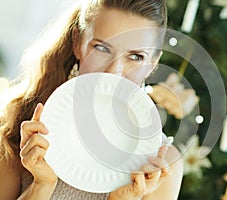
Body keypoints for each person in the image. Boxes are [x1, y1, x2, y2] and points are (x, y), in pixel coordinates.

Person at [0, 0, 183, 199]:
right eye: (102, 48)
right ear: (77, 43)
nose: (114, 71)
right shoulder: (21, 125)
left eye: (136, 57)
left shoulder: (158, 164)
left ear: (153, 64)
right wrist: (42, 185)